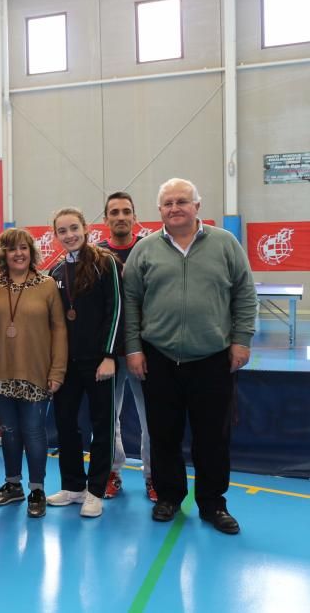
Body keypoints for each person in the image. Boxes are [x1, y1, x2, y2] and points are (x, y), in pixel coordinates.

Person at [124, 178, 256, 535]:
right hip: (159, 358)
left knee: (212, 437)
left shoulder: (225, 244)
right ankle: (169, 496)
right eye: (168, 203)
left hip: (213, 358)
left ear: (197, 206)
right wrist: (133, 348)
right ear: (160, 211)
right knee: (163, 434)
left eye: (183, 201)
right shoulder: (145, 250)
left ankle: (213, 504)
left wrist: (241, 340)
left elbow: (245, 293)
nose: (175, 208)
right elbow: (131, 301)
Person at [45, 207, 122, 518]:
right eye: (62, 231)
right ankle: (73, 486)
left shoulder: (106, 263)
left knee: (102, 425)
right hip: (68, 363)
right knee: (66, 424)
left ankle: (96, 490)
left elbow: (116, 309)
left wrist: (109, 355)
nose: (69, 235)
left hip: (98, 362)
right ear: (56, 236)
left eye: (73, 228)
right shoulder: (56, 271)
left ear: (86, 228)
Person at [0, 228, 67, 518]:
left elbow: (59, 328)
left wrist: (57, 369)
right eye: (11, 249)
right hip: (1, 373)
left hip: (36, 372)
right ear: (3, 255)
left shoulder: (46, 285)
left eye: (23, 248)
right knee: (8, 432)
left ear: (31, 252)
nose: (18, 253)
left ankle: (37, 489)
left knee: (33, 432)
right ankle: (12, 485)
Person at [98, 191, 154, 501]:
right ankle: (111, 472)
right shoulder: (96, 254)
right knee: (107, 417)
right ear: (105, 219)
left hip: (145, 350)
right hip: (109, 354)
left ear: (134, 217)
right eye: (114, 212)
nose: (120, 216)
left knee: (153, 418)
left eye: (126, 211)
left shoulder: (149, 250)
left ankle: (153, 476)